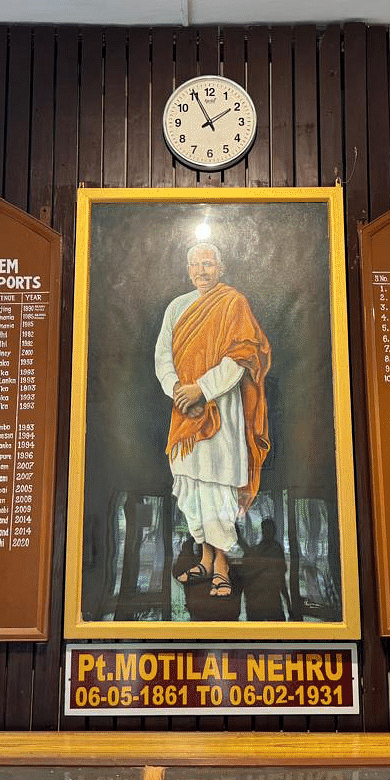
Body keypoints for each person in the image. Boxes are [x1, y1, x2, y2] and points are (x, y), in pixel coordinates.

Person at [154, 242, 271, 599]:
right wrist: (178, 390)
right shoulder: (177, 307)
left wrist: (202, 389)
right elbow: (162, 355)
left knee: (218, 484)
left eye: (207, 264)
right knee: (192, 485)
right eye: (194, 264)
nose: (201, 270)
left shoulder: (233, 302)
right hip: (184, 412)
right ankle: (205, 559)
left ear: (220, 267)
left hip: (221, 411)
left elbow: (243, 355)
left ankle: (221, 566)